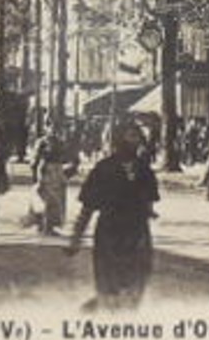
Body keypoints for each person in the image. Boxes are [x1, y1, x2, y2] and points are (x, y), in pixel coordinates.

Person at [67, 122, 161, 310]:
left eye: (136, 136)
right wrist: (76, 239)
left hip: (137, 233)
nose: (134, 141)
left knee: (137, 282)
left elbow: (149, 202)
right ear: (119, 140)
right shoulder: (103, 169)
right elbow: (87, 208)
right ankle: (105, 315)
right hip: (110, 234)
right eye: (129, 136)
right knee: (109, 284)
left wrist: (147, 211)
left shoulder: (144, 170)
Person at [31, 127, 71, 235]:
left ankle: (48, 225)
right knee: (46, 199)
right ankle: (44, 225)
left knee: (54, 200)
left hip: (55, 172)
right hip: (46, 171)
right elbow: (35, 159)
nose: (53, 130)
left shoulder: (59, 142)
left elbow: (66, 158)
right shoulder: (42, 142)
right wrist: (36, 176)